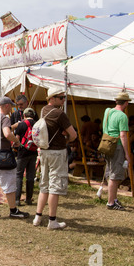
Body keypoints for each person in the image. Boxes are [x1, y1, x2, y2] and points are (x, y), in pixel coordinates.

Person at [33, 87, 77, 230]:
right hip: (57, 152)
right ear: (52, 98)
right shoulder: (60, 114)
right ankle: (52, 220)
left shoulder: (43, 110)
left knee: (44, 185)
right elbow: (73, 134)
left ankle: (38, 217)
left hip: (45, 151)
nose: (63, 100)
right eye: (61, 97)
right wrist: (67, 138)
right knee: (55, 186)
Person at [0, 96, 29, 219]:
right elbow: (7, 133)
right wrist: (17, 141)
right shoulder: (4, 118)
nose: (12, 109)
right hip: (3, 155)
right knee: (9, 182)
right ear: (6, 105)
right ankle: (13, 210)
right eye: (11, 106)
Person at [101, 91, 132, 211]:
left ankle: (113, 198)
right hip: (116, 146)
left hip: (106, 144)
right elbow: (123, 136)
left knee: (110, 172)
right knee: (115, 175)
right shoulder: (122, 116)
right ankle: (111, 202)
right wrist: (127, 153)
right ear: (126, 103)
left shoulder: (108, 111)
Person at [14, 107, 38, 205]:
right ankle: (28, 199)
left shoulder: (21, 125)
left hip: (23, 153)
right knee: (30, 176)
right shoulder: (37, 125)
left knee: (19, 175)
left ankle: (17, 200)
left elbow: (17, 140)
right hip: (33, 152)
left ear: (24, 115)